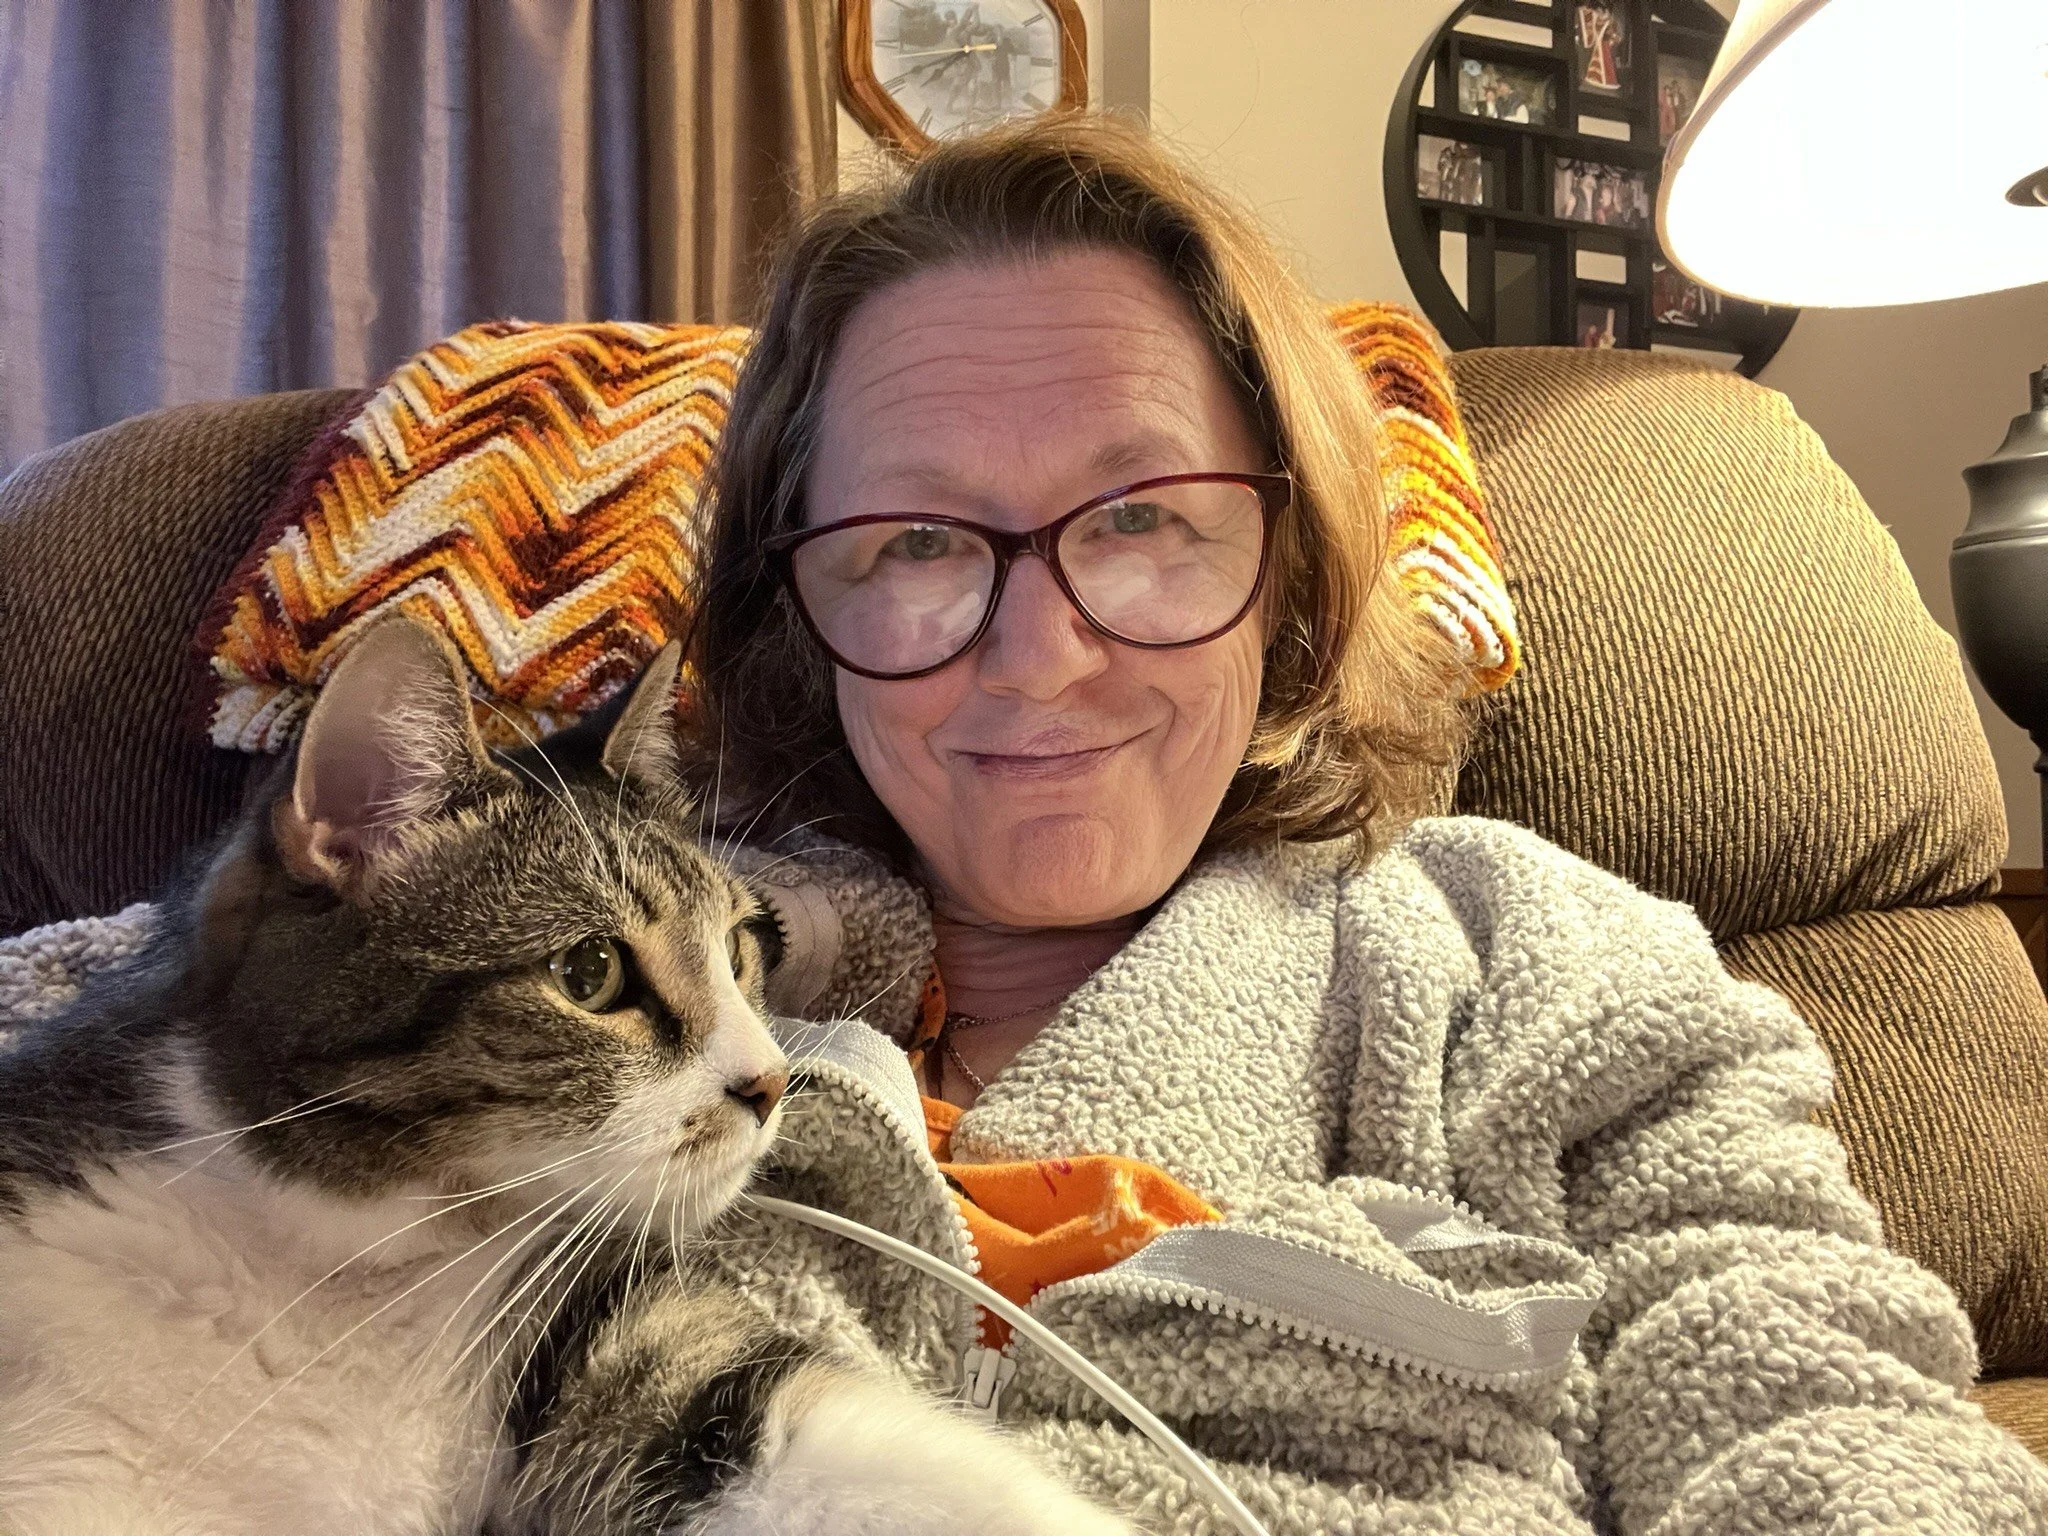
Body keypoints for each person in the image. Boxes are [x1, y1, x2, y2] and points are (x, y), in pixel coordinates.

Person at [683, 115, 2048, 1532]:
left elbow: (1812, 1398)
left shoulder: (1539, 966)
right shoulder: (595, 982)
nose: (1040, 658)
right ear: (798, 610)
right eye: (916, 541)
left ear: (1287, 564)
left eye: (1142, 519)